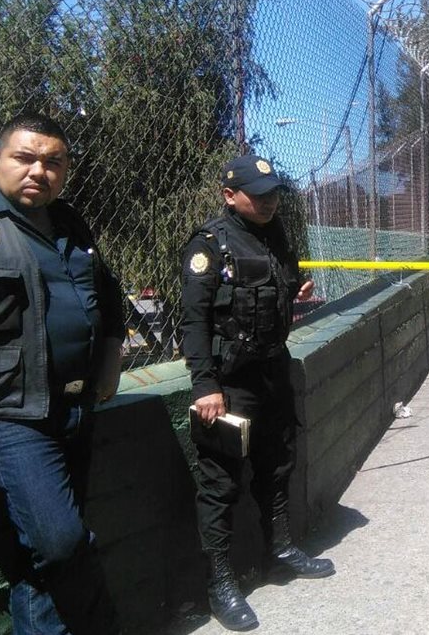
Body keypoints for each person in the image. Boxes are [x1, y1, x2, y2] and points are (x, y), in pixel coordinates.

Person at [0, 112, 124, 634]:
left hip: (72, 409)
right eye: (25, 157)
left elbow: (109, 297)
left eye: (54, 162)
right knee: (60, 542)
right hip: (7, 414)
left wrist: (109, 359)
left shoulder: (70, 223)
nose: (40, 170)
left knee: (37, 563)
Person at [179, 153, 333, 631]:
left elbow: (275, 296)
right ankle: (221, 585)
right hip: (230, 384)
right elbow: (194, 321)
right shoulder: (209, 245)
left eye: (274, 194)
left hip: (272, 372)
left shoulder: (276, 235)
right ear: (230, 195)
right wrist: (206, 387)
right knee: (221, 483)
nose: (269, 203)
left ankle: (280, 548)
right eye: (259, 196)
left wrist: (296, 297)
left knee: (277, 465)